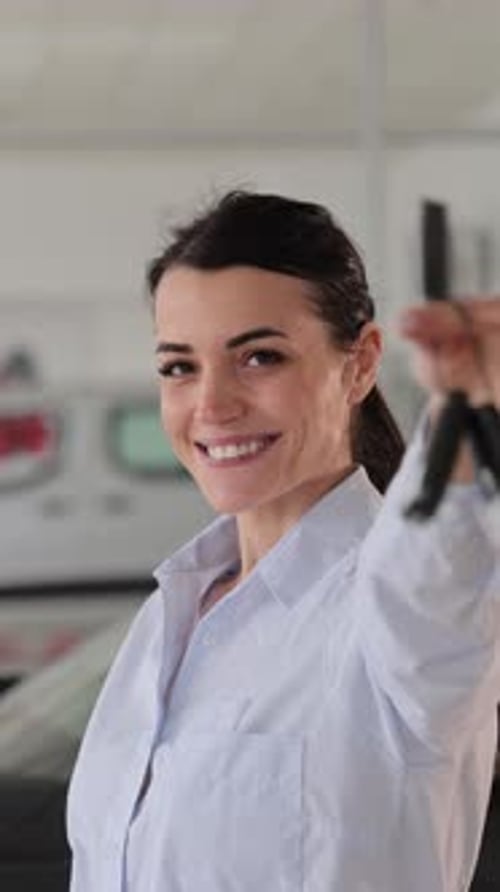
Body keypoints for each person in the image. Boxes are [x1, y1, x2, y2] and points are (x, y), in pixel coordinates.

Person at [67, 191, 500, 892]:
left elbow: (439, 568)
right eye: (180, 366)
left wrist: (465, 409)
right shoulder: (169, 616)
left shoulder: (391, 614)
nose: (211, 405)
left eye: (259, 358)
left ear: (360, 365)